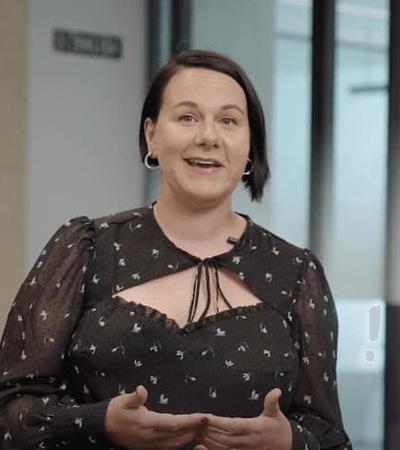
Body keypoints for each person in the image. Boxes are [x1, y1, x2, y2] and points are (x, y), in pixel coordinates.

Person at [0, 48, 352, 450]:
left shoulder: (296, 272)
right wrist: (99, 423)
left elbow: (332, 438)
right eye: (187, 117)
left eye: (228, 121)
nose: (208, 136)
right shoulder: (88, 248)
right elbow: (11, 411)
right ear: (151, 134)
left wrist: (291, 440)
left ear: (250, 145)